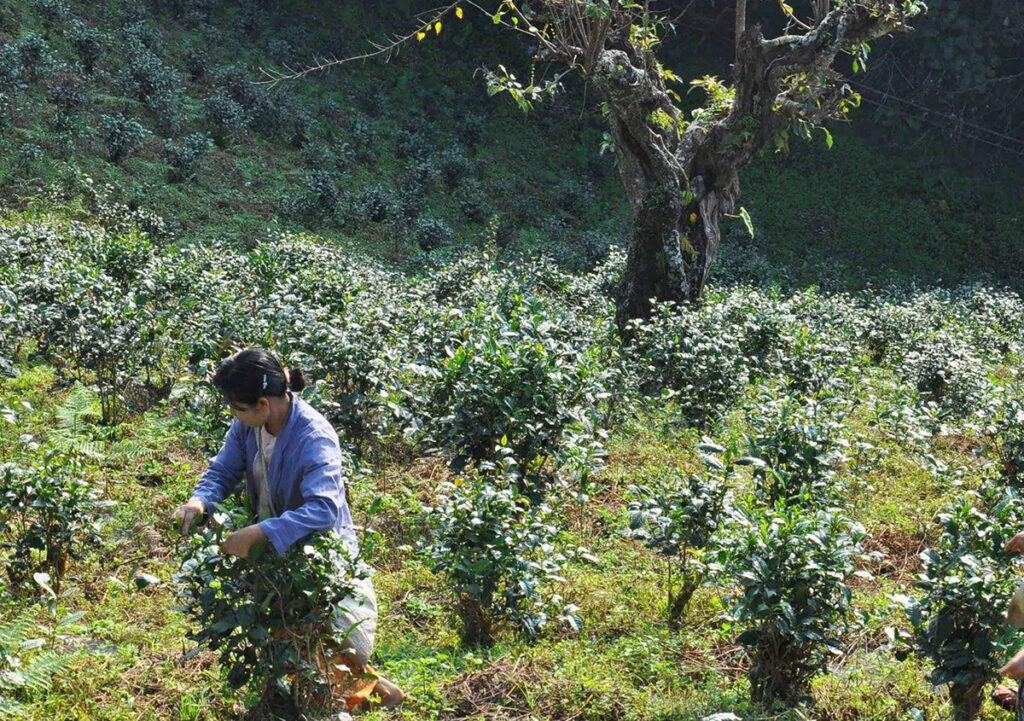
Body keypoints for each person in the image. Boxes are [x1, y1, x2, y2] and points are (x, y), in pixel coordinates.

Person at [171, 348, 403, 715]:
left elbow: (324, 508)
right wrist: (200, 501)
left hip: (318, 550)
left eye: (237, 407)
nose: (234, 414)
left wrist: (259, 532)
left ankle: (351, 696)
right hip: (277, 543)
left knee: (313, 635)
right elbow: (224, 469)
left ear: (262, 403)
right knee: (288, 630)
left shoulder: (314, 436)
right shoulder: (249, 427)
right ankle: (365, 690)